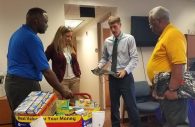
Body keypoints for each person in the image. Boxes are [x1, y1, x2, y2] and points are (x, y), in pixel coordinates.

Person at [5, 7, 73, 126]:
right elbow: (46, 70)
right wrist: (62, 89)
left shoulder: (17, 34)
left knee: (19, 120)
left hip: (13, 83)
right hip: (24, 85)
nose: (47, 25)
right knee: (30, 121)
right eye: (45, 21)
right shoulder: (32, 38)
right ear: (36, 21)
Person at [94, 16, 141, 127]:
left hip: (126, 78)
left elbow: (135, 58)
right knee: (114, 107)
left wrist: (125, 71)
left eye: (115, 27)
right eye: (111, 28)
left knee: (131, 106)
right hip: (113, 77)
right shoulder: (107, 41)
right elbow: (105, 57)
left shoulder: (129, 39)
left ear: (120, 25)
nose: (113, 30)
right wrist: (99, 66)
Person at [147, 6, 188, 127]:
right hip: (164, 87)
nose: (150, 27)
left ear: (158, 21)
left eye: (151, 23)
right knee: (168, 122)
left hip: (171, 90)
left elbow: (179, 65)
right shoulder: (165, 35)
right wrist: (157, 89)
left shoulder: (173, 34)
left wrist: (172, 90)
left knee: (177, 123)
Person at [45, 26, 81, 99]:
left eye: (71, 36)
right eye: (67, 36)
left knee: (74, 104)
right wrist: (52, 74)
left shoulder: (71, 47)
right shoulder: (52, 47)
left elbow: (74, 62)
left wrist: (78, 74)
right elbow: (43, 62)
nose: (70, 39)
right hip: (61, 81)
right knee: (62, 106)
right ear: (60, 35)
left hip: (74, 80)